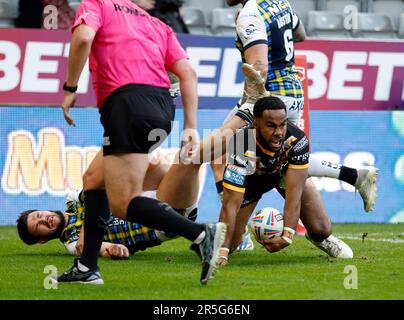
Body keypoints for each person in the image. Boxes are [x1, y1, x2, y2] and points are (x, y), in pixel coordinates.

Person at [57, 0, 226, 285]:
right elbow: (188, 73)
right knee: (93, 179)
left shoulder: (97, 4)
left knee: (123, 202)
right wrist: (191, 127)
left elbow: (83, 37)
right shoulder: (159, 24)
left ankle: (199, 234)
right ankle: (87, 269)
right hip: (161, 107)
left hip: (126, 103)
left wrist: (70, 88)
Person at [210, 0, 378, 215]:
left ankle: (234, 228)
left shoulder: (251, 12)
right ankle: (354, 176)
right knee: (283, 158)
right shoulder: (279, 3)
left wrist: (249, 104)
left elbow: (259, 69)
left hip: (269, 98)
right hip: (293, 94)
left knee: (218, 152)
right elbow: (300, 34)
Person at [216, 96, 353, 265]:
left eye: (283, 124)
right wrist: (222, 253)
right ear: (256, 123)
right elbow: (231, 203)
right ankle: (233, 235)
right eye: (271, 126)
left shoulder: (297, 139)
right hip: (251, 185)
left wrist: (287, 236)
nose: (279, 132)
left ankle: (320, 238)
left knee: (321, 229)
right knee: (228, 245)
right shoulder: (241, 143)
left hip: (283, 175)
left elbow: (294, 193)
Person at [16, 149, 199, 259]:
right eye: (38, 226)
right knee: (189, 159)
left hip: (154, 192)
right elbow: (98, 249)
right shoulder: (73, 243)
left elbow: (98, 189)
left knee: (177, 156)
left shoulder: (72, 200)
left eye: (38, 215)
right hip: (167, 222)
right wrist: (113, 249)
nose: (43, 220)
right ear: (42, 240)